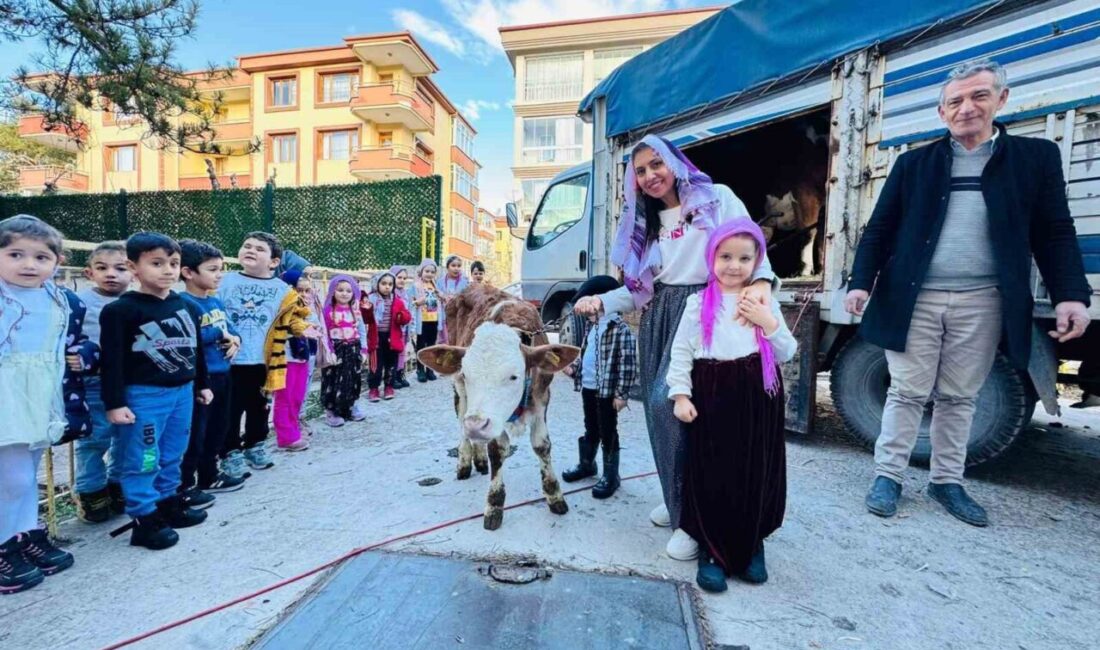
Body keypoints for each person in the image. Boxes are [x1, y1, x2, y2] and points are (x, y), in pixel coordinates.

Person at [844, 60, 1092, 527]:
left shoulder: (1034, 159)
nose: (967, 108)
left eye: (979, 96)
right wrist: (861, 283)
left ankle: (947, 482)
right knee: (907, 391)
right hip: (914, 299)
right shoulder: (913, 164)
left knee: (960, 396)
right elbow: (879, 230)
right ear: (942, 113)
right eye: (955, 100)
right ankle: (888, 476)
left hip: (983, 299)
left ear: (1002, 99)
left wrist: (1071, 294)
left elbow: (1055, 231)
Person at [573, 135, 777, 561]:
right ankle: (678, 499)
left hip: (709, 307)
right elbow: (638, 292)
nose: (649, 176)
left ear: (674, 162)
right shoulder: (644, 226)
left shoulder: (715, 198)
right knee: (658, 414)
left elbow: (750, 248)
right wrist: (601, 300)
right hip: (662, 314)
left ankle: (694, 517)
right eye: (640, 171)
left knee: (694, 414)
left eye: (655, 164)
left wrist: (760, 283)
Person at [668, 219, 797, 591]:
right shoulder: (697, 303)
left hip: (757, 397)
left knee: (755, 470)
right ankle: (711, 549)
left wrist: (767, 322)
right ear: (711, 258)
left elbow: (787, 351)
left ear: (757, 261)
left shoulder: (760, 301)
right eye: (725, 256)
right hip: (710, 396)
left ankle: (751, 544)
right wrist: (680, 394)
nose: (733, 265)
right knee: (711, 471)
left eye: (744, 258)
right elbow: (682, 352)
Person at [100, 232, 212, 550]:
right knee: (144, 457)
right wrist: (115, 403)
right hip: (144, 397)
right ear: (133, 267)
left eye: (173, 263)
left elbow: (196, 350)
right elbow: (111, 361)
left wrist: (201, 384)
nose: (167, 270)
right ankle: (144, 519)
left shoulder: (186, 306)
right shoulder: (121, 311)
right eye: (156, 263)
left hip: (182, 394)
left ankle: (168, 503)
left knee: (174, 452)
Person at [0, 215, 92, 592]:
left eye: (41, 257)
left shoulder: (59, 298)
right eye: (16, 254)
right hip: (5, 394)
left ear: (57, 261)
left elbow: (69, 343)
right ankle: (3, 546)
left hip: (42, 391)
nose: (28, 264)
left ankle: (24, 534)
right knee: (13, 479)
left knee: (30, 472)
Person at [178, 240, 245, 503]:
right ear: (188, 272)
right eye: (213, 269)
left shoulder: (216, 302)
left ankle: (209, 475)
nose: (219, 275)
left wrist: (235, 339)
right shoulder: (183, 303)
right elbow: (192, 336)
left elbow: (231, 328)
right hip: (200, 380)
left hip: (224, 374)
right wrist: (219, 333)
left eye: (221, 269)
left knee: (219, 427)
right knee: (196, 432)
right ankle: (184, 485)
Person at [217, 232, 289, 476]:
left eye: (259, 249)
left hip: (264, 361)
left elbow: (293, 318)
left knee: (259, 407)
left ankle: (255, 445)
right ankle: (229, 451)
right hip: (230, 360)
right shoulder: (225, 282)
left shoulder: (281, 289)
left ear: (274, 262)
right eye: (247, 246)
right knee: (230, 409)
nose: (250, 250)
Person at [561, 275, 637, 499]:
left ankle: (611, 475)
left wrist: (622, 394)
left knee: (608, 431)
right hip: (589, 386)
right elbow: (585, 352)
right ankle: (587, 464)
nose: (585, 310)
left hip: (607, 392)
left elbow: (628, 364)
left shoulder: (620, 329)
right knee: (590, 427)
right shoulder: (591, 327)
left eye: (587, 303)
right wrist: (574, 368)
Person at [73, 240, 131, 523]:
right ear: (88, 273)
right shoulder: (80, 303)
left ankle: (117, 484)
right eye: (102, 267)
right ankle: (91, 491)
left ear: (132, 270)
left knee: (126, 436)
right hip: (94, 382)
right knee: (94, 438)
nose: (111, 274)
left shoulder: (137, 301)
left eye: (120, 268)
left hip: (130, 382)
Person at [271, 270, 317, 451]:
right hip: (285, 356)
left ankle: (294, 427)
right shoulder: (282, 308)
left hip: (302, 356)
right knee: (285, 396)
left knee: (298, 395)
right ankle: (285, 436)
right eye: (299, 290)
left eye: (307, 291)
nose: (303, 294)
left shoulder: (307, 309)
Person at [320, 274, 368, 426]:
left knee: (352, 378)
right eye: (340, 290)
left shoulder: (355, 310)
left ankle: (350, 406)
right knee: (333, 380)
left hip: (353, 349)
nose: (344, 293)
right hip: (336, 351)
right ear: (333, 291)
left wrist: (364, 350)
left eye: (348, 290)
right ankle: (332, 410)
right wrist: (330, 351)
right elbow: (324, 332)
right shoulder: (327, 311)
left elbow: (361, 330)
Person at [365, 271, 412, 402]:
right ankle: (374, 388)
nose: (387, 287)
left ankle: (389, 387)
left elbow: (407, 316)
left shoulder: (398, 301)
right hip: (376, 337)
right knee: (376, 365)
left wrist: (402, 317)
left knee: (391, 364)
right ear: (377, 284)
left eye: (390, 284)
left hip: (392, 337)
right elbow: (364, 317)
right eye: (384, 283)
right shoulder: (371, 299)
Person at [409, 258, 444, 383]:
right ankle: (420, 369)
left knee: (431, 345)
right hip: (421, 320)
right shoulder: (415, 286)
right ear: (421, 271)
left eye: (432, 272)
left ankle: (430, 368)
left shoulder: (435, 286)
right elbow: (410, 303)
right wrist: (416, 302)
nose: (429, 274)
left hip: (433, 319)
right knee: (421, 345)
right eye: (427, 271)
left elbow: (440, 302)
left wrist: (441, 296)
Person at [389, 265, 413, 389]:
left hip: (404, 329)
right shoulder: (391, 294)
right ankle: (392, 377)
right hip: (394, 330)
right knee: (394, 353)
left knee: (402, 353)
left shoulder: (405, 294)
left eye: (404, 278)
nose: (402, 280)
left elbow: (409, 311)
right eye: (399, 277)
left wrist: (410, 328)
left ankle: (399, 374)